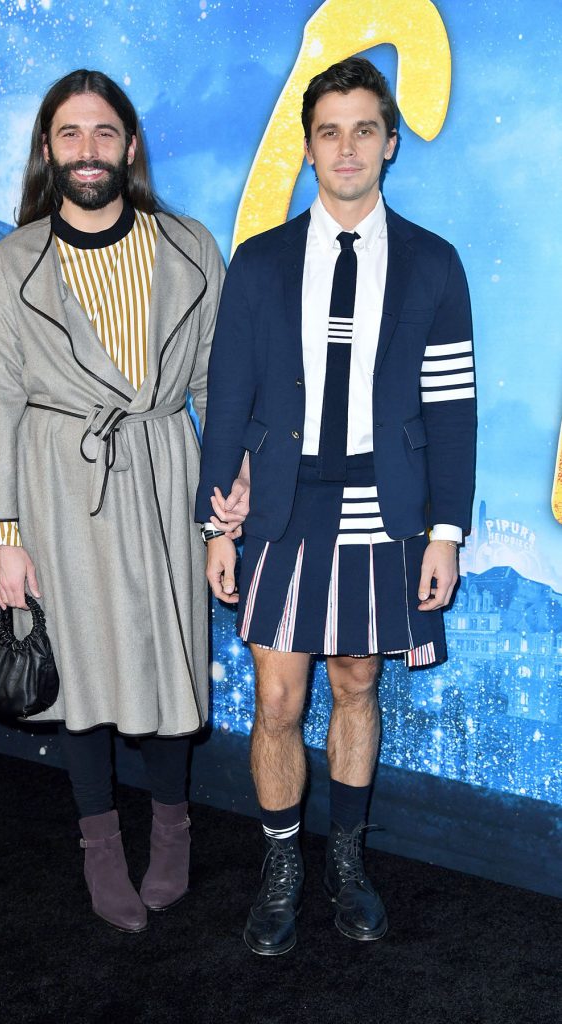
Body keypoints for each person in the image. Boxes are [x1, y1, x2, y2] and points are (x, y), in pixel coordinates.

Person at [196, 56, 476, 954]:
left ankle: (346, 862)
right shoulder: (260, 262)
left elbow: (451, 407)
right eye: (329, 131)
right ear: (309, 148)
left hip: (384, 510)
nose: (346, 147)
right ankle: (282, 864)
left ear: (389, 143)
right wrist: (215, 523)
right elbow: (228, 398)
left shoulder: (433, 264)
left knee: (357, 680)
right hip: (282, 507)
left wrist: (445, 532)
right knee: (277, 698)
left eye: (364, 129)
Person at [0, 69, 226, 933]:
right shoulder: (14, 261)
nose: (87, 149)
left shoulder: (189, 247)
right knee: (74, 664)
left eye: (103, 132)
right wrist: (2, 536)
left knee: (164, 655)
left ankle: (172, 831)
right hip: (55, 480)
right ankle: (100, 846)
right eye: (70, 133)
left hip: (162, 469)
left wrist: (226, 495)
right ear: (47, 149)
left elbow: (214, 382)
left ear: (130, 145)